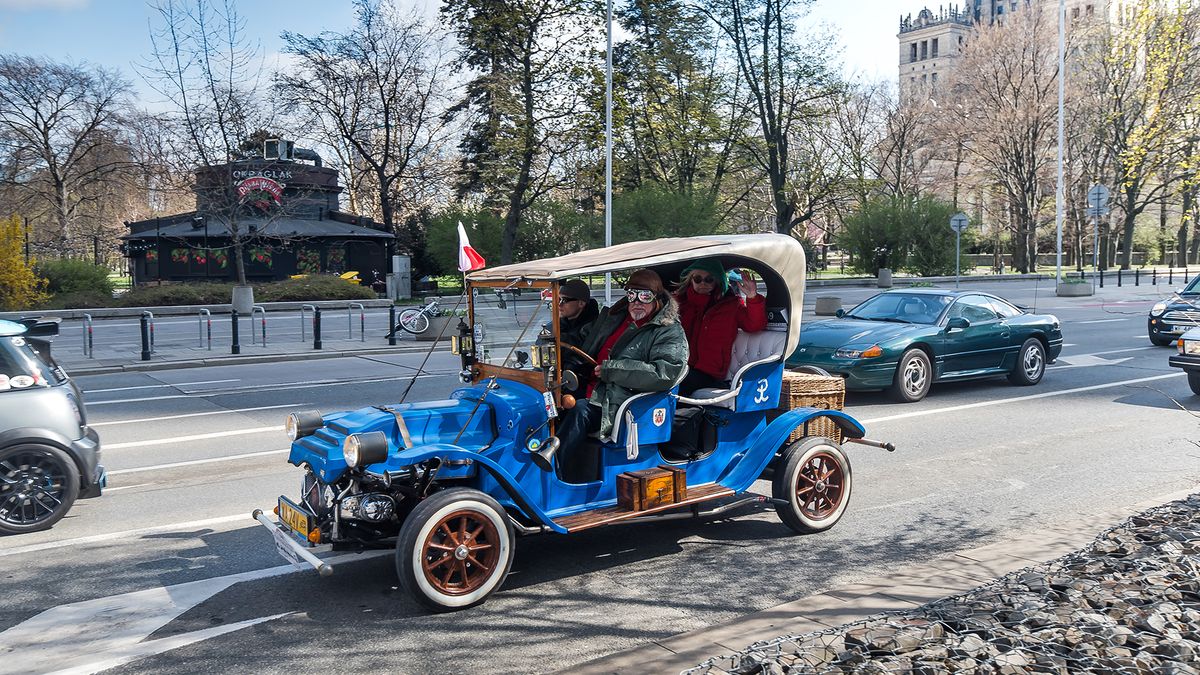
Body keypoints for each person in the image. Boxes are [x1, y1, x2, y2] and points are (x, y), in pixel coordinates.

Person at [534, 269, 688, 476]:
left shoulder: (668, 331)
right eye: (631, 295)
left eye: (644, 296)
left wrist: (611, 370)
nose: (636, 302)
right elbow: (584, 339)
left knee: (579, 410)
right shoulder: (615, 317)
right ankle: (529, 457)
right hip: (590, 386)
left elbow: (664, 373)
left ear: (657, 299)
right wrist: (555, 344)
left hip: (620, 399)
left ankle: (552, 473)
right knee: (543, 400)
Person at [673, 259, 767, 396]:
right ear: (691, 280)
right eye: (697, 279)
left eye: (709, 279)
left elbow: (754, 325)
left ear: (717, 280)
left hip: (710, 373)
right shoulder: (679, 304)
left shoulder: (731, 305)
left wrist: (752, 297)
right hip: (679, 366)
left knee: (678, 384)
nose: (703, 283)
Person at [556, 278, 600, 396]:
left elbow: (578, 357)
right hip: (559, 378)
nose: (559, 304)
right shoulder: (560, 323)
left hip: (580, 381)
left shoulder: (593, 327)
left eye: (564, 300)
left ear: (581, 303)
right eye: (558, 299)